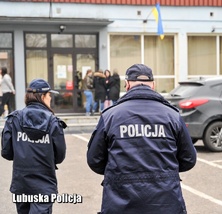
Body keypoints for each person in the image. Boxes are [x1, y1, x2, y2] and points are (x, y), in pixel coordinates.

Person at [87, 64, 197, 214]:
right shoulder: (172, 115)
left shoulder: (110, 116)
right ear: (153, 85)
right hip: (165, 204)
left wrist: (118, 171)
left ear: (127, 85)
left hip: (120, 203)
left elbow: (95, 160)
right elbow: (188, 159)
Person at [1, 78, 67, 214]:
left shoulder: (14, 119)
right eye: (49, 95)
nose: (50, 99)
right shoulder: (53, 122)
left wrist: (23, 151)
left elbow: (6, 152)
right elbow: (59, 156)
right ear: (42, 96)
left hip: (21, 184)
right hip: (44, 185)